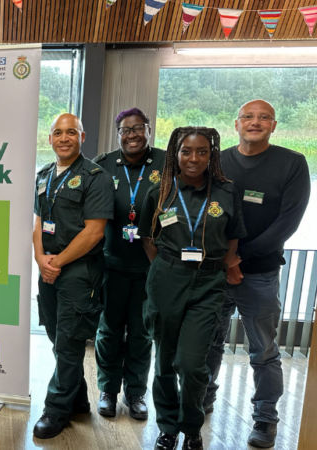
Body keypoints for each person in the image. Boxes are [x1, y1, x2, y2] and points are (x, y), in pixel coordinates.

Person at [204, 100, 310, 449]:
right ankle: (204, 398)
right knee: (209, 342)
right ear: (236, 124)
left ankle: (265, 419)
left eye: (263, 117)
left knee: (263, 351)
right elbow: (204, 213)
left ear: (274, 125)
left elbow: (287, 223)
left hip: (260, 275)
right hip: (216, 272)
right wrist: (225, 261)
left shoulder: (292, 163)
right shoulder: (218, 162)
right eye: (248, 117)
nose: (255, 122)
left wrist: (239, 258)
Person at [138, 127, 246, 450]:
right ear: (176, 153)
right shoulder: (160, 191)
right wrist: (170, 265)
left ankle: (192, 427)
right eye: (186, 151)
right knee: (166, 360)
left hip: (209, 283)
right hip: (167, 278)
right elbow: (147, 238)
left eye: (202, 151)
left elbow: (233, 236)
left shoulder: (226, 192)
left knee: (191, 363)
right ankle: (168, 428)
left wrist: (222, 263)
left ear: (211, 155)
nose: (194, 158)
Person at [32, 113, 113, 439]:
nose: (64, 138)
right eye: (57, 133)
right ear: (50, 139)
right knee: (58, 338)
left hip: (79, 272)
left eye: (71, 132)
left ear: (82, 137)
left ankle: (56, 410)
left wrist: (57, 263)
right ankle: (78, 399)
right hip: (49, 269)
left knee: (68, 342)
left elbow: (94, 232)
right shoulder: (44, 175)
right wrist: (40, 259)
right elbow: (38, 223)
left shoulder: (96, 177)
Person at [92, 108, 164, 420]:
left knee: (140, 333)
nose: (132, 135)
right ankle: (108, 389)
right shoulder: (103, 164)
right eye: (125, 129)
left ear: (149, 130)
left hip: (149, 266)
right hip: (110, 264)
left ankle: (135, 394)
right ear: (118, 133)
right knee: (108, 330)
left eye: (138, 129)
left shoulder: (167, 163)